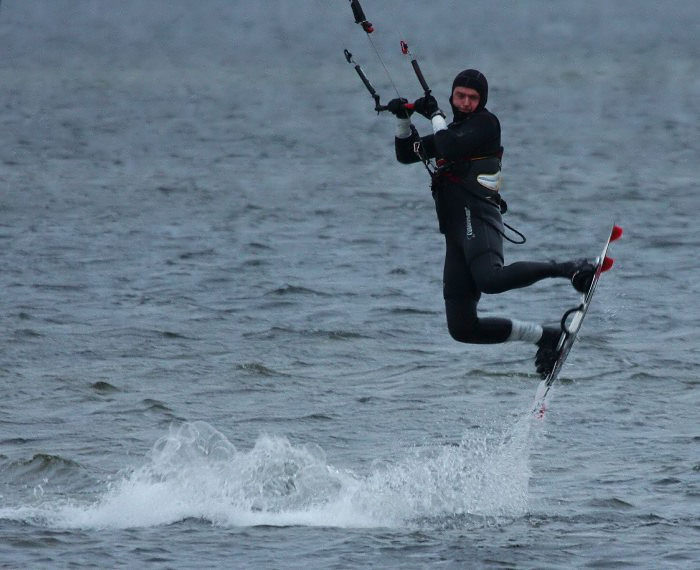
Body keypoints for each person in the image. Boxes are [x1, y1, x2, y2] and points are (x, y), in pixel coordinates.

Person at [385, 69, 594, 378]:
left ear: (482, 100)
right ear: (452, 96)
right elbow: (407, 154)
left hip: (478, 217)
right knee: (462, 327)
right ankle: (546, 337)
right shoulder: (450, 130)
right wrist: (403, 119)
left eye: (473, 98)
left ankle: (568, 267)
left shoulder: (485, 124)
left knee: (490, 280)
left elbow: (450, 147)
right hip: (455, 231)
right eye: (460, 96)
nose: (466, 102)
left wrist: (435, 114)